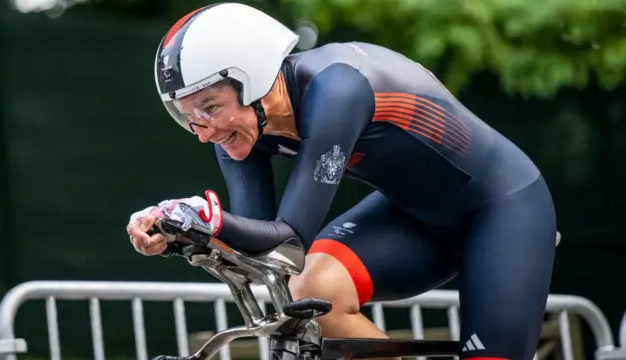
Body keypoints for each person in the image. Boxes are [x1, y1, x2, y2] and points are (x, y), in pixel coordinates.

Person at [126, 3, 558, 360]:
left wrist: (207, 219)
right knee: (314, 293)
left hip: (503, 209)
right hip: (413, 215)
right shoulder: (239, 128)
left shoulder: (336, 88)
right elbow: (260, 250)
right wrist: (176, 229)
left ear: (253, 77)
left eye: (210, 107)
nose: (203, 131)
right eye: (189, 115)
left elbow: (288, 238)